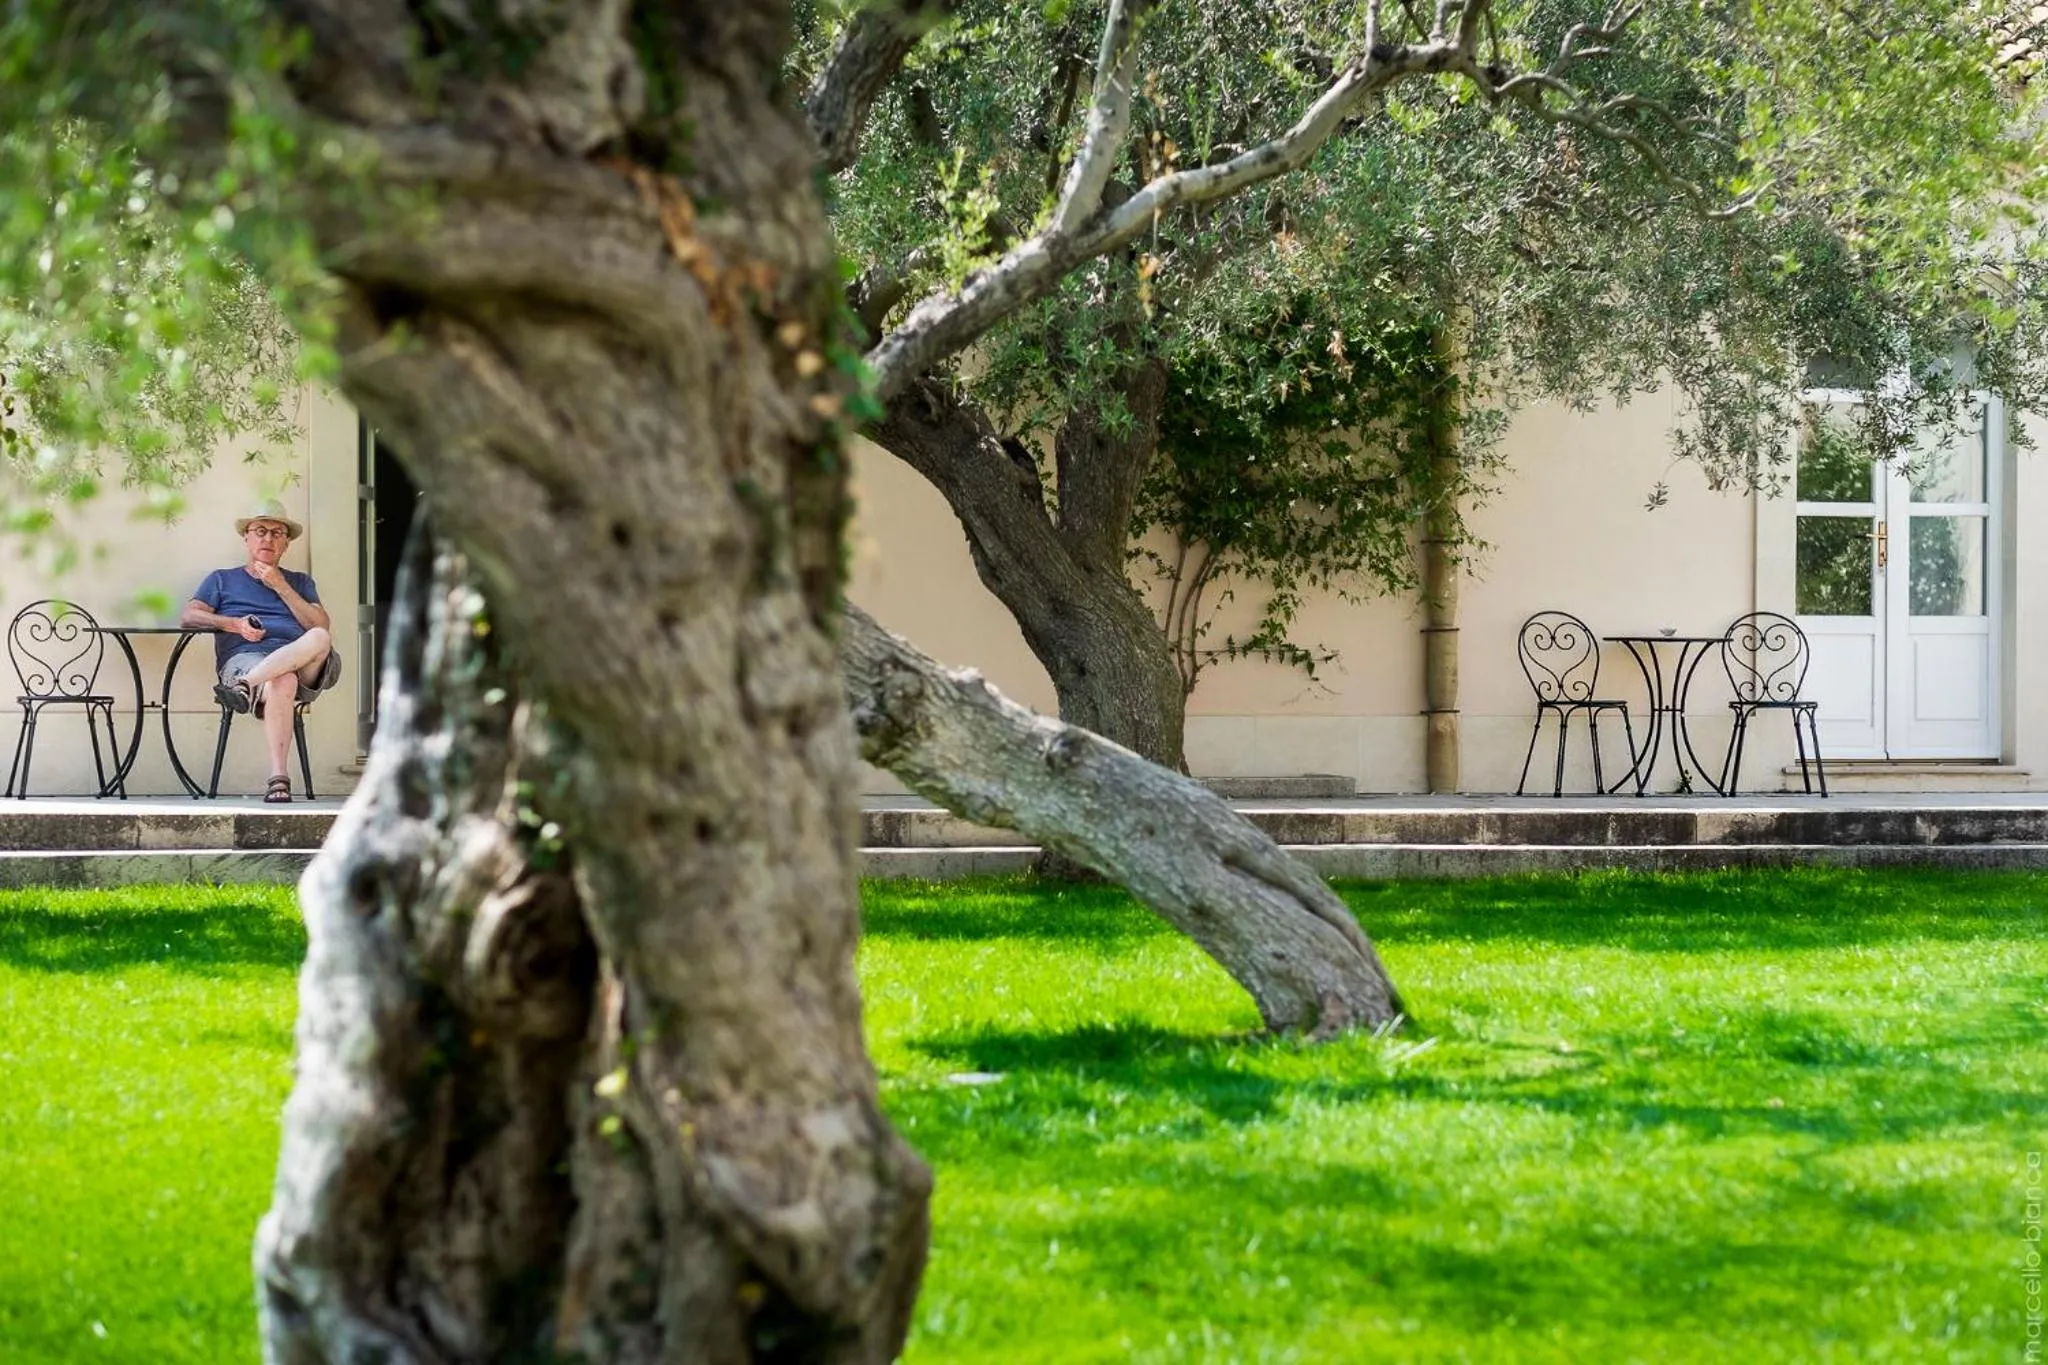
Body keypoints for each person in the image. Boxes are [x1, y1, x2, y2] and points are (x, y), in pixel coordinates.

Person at [180, 498, 342, 803]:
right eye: (260, 531)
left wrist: (280, 585)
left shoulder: (299, 582)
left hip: (300, 666)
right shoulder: (222, 579)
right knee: (283, 679)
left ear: (286, 544)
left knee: (320, 636)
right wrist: (234, 624)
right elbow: (189, 616)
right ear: (247, 537)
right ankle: (279, 778)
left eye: (277, 533)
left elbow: (320, 624)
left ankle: (245, 686)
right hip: (245, 659)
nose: (268, 538)